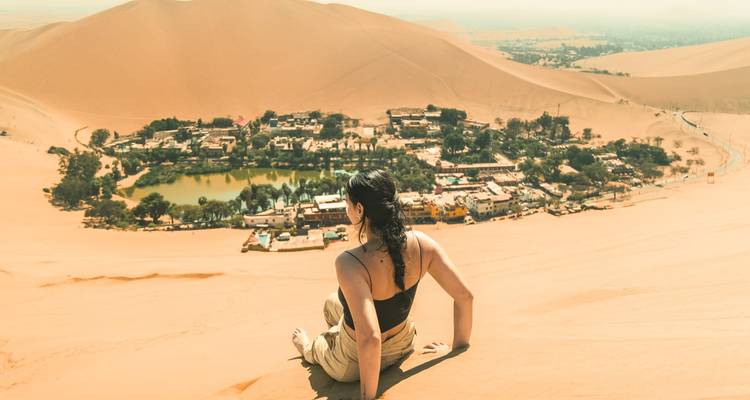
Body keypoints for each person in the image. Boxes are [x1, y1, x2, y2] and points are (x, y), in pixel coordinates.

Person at [292, 169, 473, 400]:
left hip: (351, 364)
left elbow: (370, 338)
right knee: (332, 302)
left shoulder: (350, 262)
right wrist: (456, 350)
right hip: (403, 344)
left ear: (360, 210)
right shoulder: (423, 243)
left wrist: (367, 398)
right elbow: (465, 297)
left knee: (317, 348)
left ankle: (309, 349)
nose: (346, 208)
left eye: (347, 203)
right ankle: (337, 334)